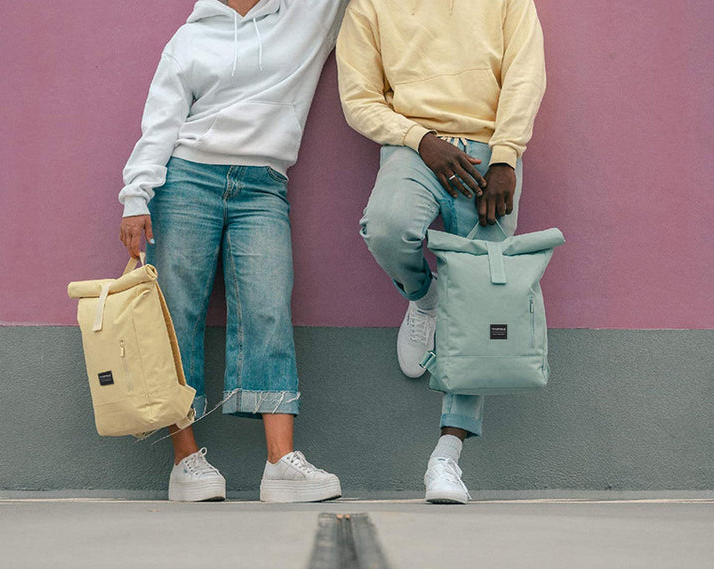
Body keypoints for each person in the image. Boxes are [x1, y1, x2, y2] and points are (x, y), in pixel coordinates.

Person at [118, 0, 347, 502]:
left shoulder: (305, 16)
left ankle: (281, 464)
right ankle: (185, 462)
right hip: (187, 179)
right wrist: (136, 196)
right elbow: (161, 123)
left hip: (264, 185)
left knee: (269, 309)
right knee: (178, 315)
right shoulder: (190, 39)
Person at [337, 0, 546, 503]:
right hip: (415, 147)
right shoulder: (368, 5)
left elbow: (525, 74)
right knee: (386, 228)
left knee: (484, 304)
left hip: (489, 152)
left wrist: (506, 157)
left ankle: (447, 457)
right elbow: (358, 98)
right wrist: (420, 138)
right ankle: (425, 299)